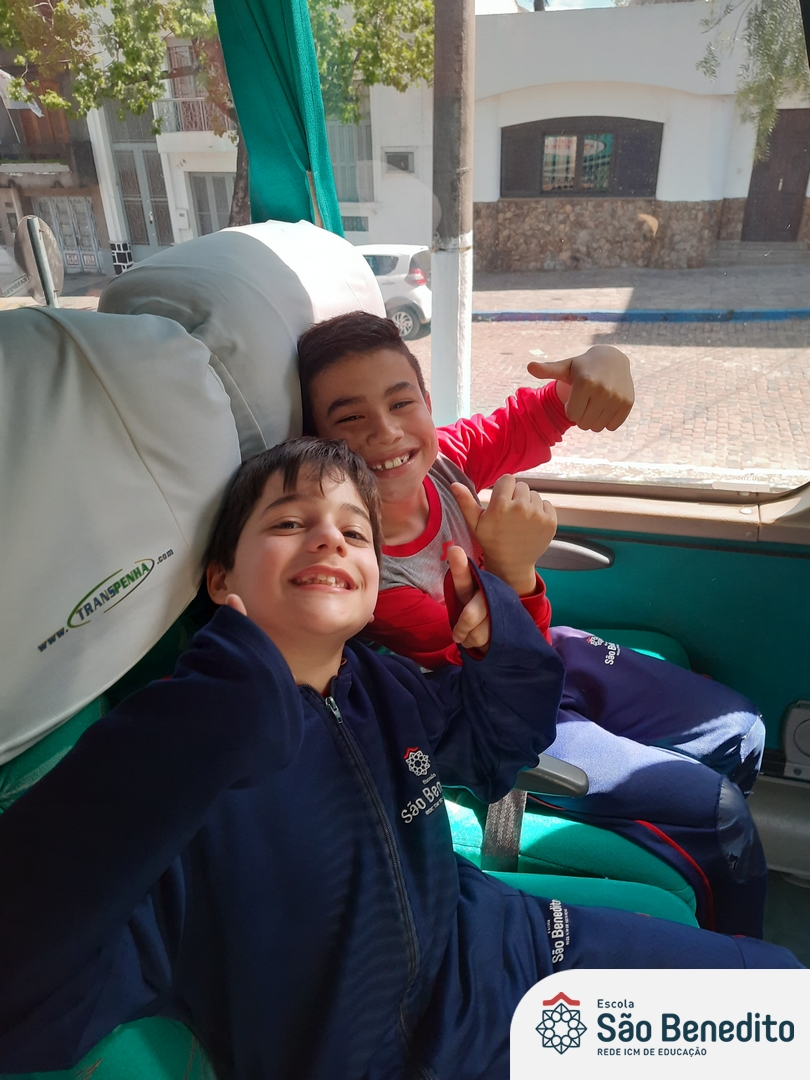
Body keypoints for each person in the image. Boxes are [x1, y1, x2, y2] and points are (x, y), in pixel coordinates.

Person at [0, 438, 800, 1080]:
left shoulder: (378, 684)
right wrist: (214, 714)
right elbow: (26, 984)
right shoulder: (173, 759)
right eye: (289, 523)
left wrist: (498, 637)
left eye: (354, 532)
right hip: (389, 1058)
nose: (329, 537)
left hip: (506, 951)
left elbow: (500, 748)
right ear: (218, 577)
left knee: (778, 1008)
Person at [297, 313, 768, 937]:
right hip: (486, 707)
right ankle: (734, 953)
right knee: (722, 815)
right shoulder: (363, 572)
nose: (386, 432)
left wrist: (600, 365)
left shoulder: (444, 464)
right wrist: (514, 571)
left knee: (742, 730)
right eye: (350, 418)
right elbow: (512, 678)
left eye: (401, 402)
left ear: (426, 403)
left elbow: (528, 419)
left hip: (536, 655)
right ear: (320, 443)